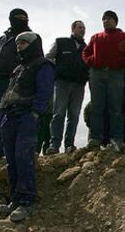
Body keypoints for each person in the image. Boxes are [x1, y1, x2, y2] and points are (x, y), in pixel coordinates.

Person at [0, 32, 55, 222]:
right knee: (12, 160)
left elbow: (45, 91)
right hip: (10, 116)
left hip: (26, 116)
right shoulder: (18, 68)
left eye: (22, 43)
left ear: (32, 45)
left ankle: (27, 201)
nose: (19, 46)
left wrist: (35, 114)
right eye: (17, 43)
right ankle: (15, 199)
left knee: (24, 159)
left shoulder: (43, 65)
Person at [0, 8, 31, 164]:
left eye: (24, 17)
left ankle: (10, 150)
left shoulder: (29, 37)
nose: (22, 20)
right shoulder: (3, 38)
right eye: (18, 17)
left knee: (9, 116)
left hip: (14, 81)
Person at [82, 10, 125, 151]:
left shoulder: (123, 36)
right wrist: (91, 61)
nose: (106, 21)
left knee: (115, 108)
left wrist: (119, 63)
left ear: (115, 21)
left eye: (110, 18)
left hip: (116, 74)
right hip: (97, 74)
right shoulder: (96, 37)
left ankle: (116, 139)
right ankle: (95, 138)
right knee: (97, 106)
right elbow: (85, 52)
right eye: (104, 19)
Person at [45, 21, 88, 154]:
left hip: (79, 85)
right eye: (80, 27)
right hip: (62, 83)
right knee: (59, 113)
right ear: (73, 29)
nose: (82, 30)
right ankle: (54, 145)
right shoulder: (61, 42)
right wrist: (58, 69)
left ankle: (69, 144)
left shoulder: (87, 48)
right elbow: (48, 58)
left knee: (74, 115)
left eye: (84, 28)